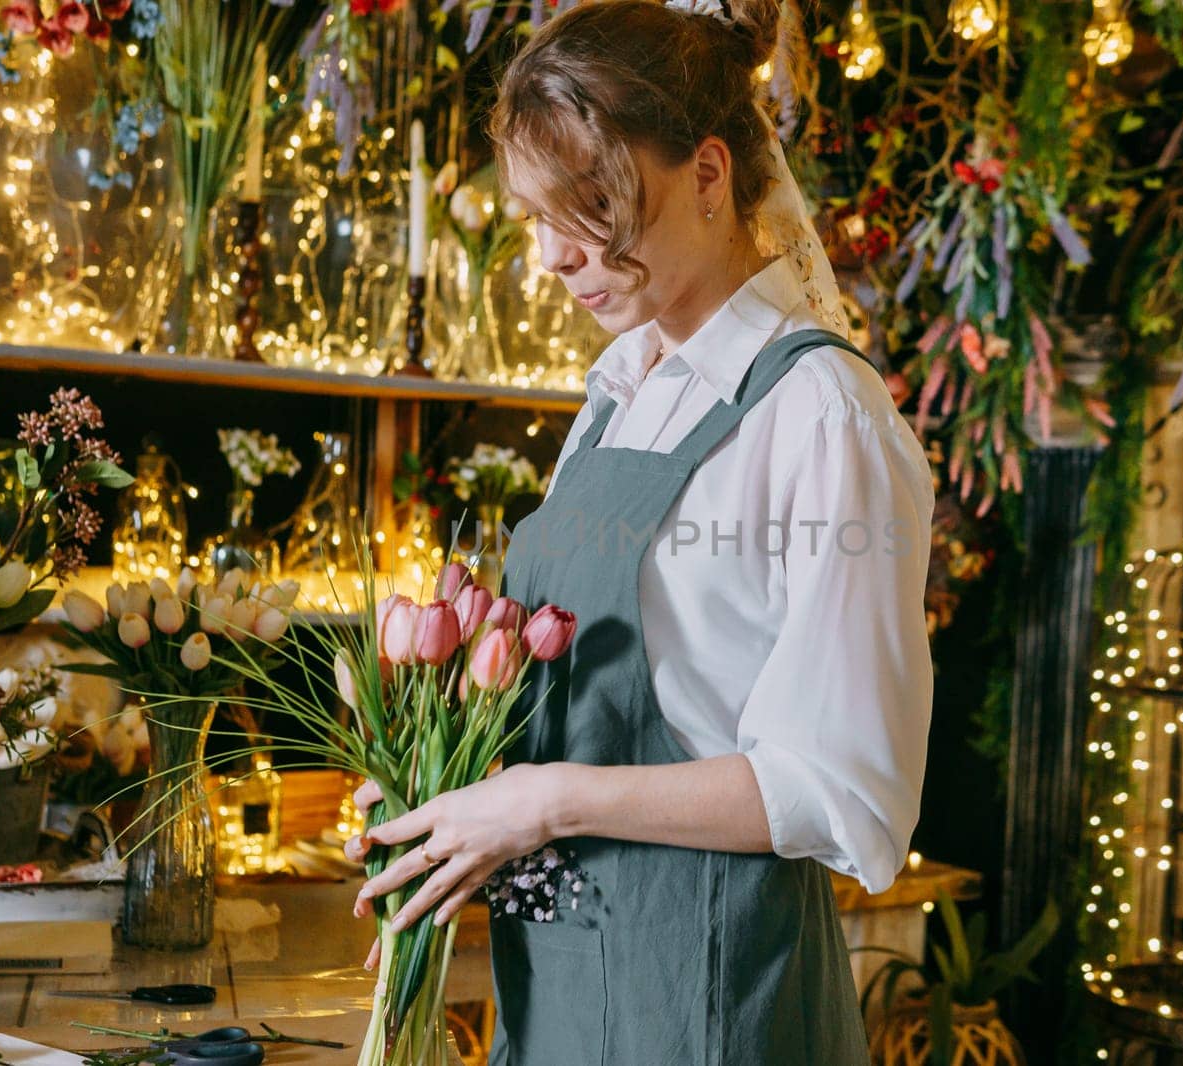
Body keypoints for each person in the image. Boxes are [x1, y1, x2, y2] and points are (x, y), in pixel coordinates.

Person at [346, 0, 934, 1060]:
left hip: (711, 998)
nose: (553, 256)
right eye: (532, 215)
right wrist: (443, 781)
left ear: (709, 172)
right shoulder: (620, 391)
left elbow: (842, 789)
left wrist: (545, 800)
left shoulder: (820, 416)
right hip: (567, 992)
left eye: (589, 203)